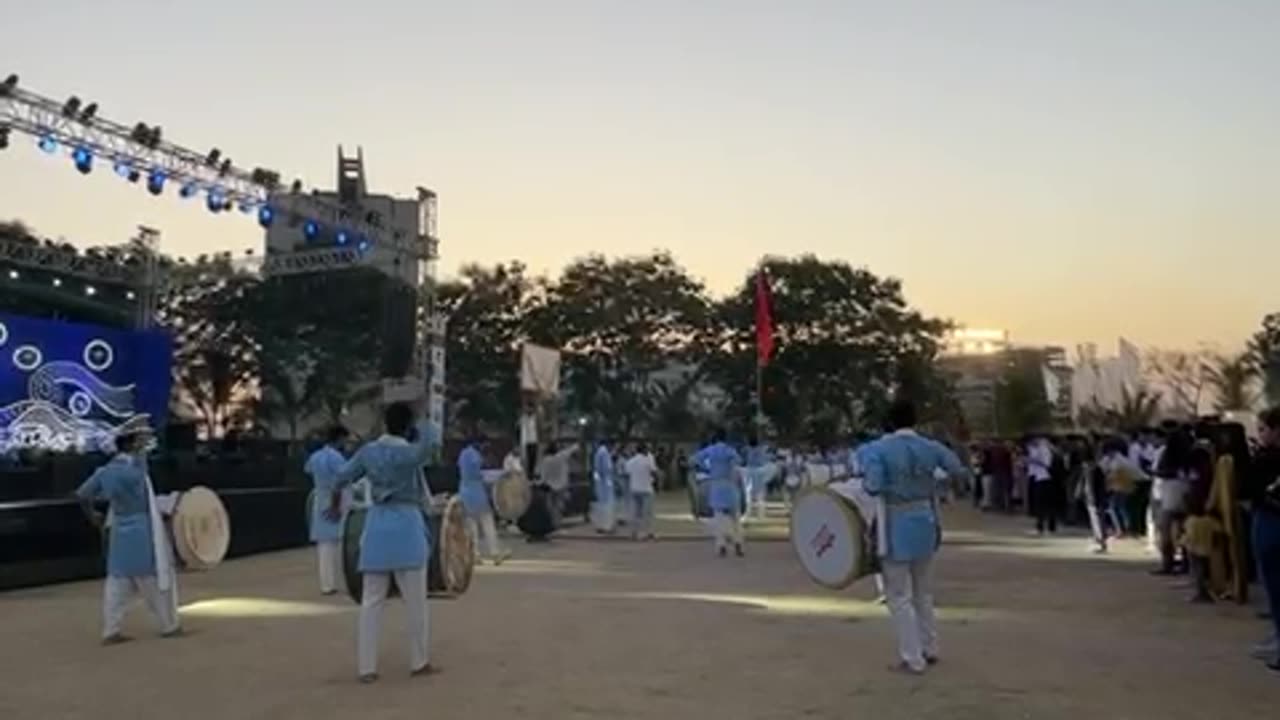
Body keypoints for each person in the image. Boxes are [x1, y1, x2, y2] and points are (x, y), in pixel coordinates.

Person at [330, 402, 440, 683]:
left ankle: (366, 667)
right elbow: (430, 440)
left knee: (371, 602)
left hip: (377, 527)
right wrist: (426, 417)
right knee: (416, 602)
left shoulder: (368, 453)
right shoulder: (410, 455)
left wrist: (333, 503)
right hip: (407, 527)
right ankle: (419, 661)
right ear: (407, 427)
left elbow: (341, 477)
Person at [859, 398, 969, 675]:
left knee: (898, 595)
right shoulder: (930, 447)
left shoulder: (877, 449)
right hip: (926, 520)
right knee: (923, 592)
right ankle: (930, 647)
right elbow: (957, 469)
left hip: (896, 522)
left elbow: (873, 485)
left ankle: (912, 657)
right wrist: (932, 484)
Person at [76, 429, 182, 644]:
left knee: (117, 582)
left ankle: (110, 629)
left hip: (119, 529)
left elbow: (82, 494)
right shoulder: (137, 470)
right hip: (143, 528)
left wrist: (92, 515)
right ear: (132, 447)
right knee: (153, 580)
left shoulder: (105, 472)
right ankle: (168, 625)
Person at [1245, 408, 1280, 670]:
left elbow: (1252, 489)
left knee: (1276, 584)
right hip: (1265, 517)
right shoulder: (1264, 456)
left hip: (1271, 520)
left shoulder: (1269, 459)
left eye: (1264, 429)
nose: (1260, 435)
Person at [304, 425, 351, 595]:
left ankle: (327, 584)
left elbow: (308, 470)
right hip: (335, 499)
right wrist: (336, 505)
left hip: (320, 497)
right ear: (339, 439)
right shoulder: (337, 458)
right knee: (339, 544)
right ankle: (337, 582)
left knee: (324, 545)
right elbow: (339, 482)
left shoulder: (315, 456)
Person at [694, 429, 745, 557]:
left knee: (718, 518)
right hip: (729, 484)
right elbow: (738, 461)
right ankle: (738, 542)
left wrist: (708, 468)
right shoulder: (730, 450)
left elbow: (695, 459)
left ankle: (721, 544)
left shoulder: (710, 450)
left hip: (716, 484)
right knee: (736, 518)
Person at [457, 436, 508, 564]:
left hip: (464, 492)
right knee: (487, 523)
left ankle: (475, 555)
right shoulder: (476, 456)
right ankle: (495, 553)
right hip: (478, 493)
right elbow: (481, 474)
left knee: (471, 526)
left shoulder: (463, 454)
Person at [1025, 434, 1059, 535]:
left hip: (1045, 477)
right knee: (1045, 504)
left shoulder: (1044, 449)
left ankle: (1043, 527)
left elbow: (1047, 463)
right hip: (1039, 477)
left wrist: (1033, 460)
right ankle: (1049, 527)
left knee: (1042, 504)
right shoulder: (1037, 448)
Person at [625, 443, 659, 540]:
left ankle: (634, 533)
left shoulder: (630, 461)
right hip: (646, 489)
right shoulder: (647, 461)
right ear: (644, 450)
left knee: (635, 512)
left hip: (634, 489)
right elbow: (654, 472)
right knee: (647, 513)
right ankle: (648, 533)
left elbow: (627, 473)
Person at [744, 436, 771, 521]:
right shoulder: (761, 450)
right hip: (760, 471)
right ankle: (761, 515)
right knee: (760, 494)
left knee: (749, 493)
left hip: (750, 471)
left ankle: (748, 514)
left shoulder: (747, 450)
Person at [592, 441, 616, 533]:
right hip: (605, 483)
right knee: (607, 505)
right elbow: (607, 468)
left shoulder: (598, 453)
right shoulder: (604, 453)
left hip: (601, 483)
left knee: (601, 505)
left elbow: (597, 471)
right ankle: (606, 526)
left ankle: (601, 525)